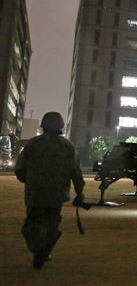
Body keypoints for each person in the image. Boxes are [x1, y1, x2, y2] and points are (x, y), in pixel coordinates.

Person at [14, 112, 85, 269]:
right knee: (52, 223)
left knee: (32, 222)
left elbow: (19, 169)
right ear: (61, 127)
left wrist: (29, 180)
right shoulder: (68, 147)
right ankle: (44, 251)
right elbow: (76, 172)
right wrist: (80, 191)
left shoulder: (32, 144)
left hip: (35, 193)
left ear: (43, 126)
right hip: (57, 194)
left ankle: (38, 249)